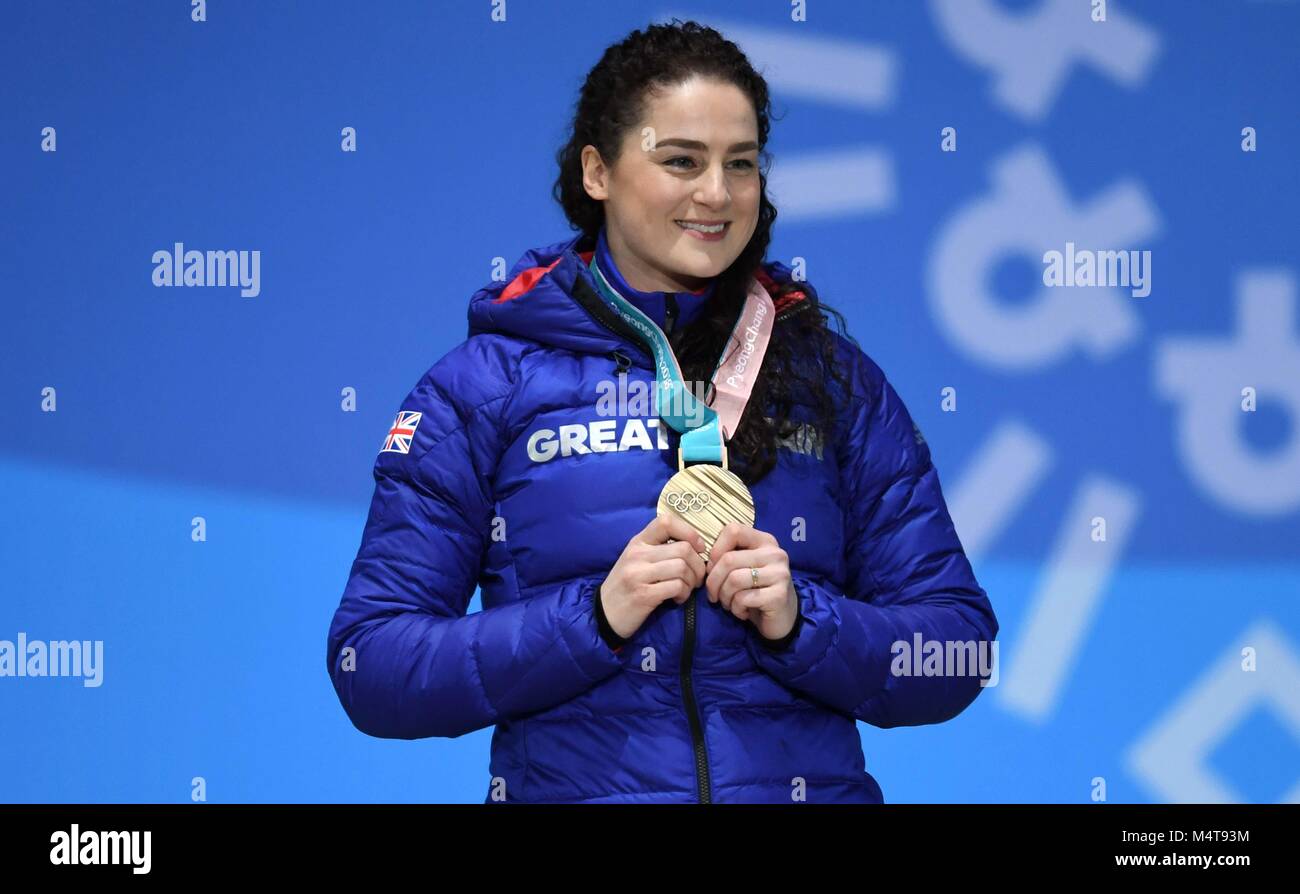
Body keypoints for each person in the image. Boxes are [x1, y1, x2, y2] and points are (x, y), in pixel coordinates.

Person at [326, 19, 997, 804]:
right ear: (598, 172)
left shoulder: (832, 378)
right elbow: (371, 664)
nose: (716, 194)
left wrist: (802, 621)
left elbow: (957, 649)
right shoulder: (481, 387)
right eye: (681, 160)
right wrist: (591, 620)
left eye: (740, 164)